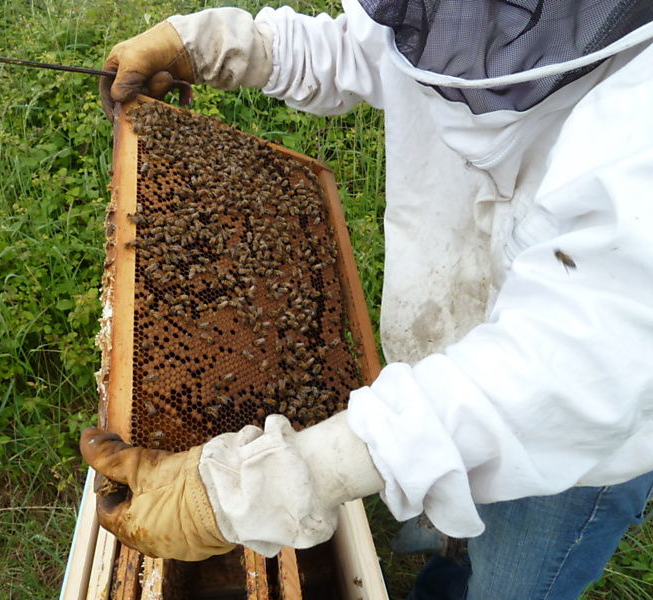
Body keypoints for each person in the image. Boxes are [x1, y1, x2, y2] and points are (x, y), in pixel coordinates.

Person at [80, 2, 653, 598]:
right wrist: (221, 43)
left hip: (576, 441)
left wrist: (269, 483)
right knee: (455, 525)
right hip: (443, 365)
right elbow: (379, 46)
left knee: (512, 583)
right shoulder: (448, 17)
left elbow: (584, 364)